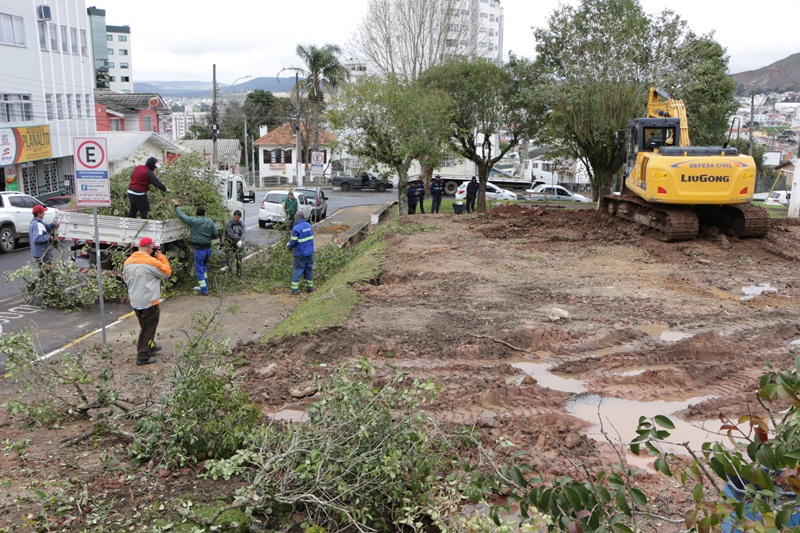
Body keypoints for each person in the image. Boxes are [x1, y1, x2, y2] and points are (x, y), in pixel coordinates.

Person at [123, 237, 172, 366]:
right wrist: (161, 257)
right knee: (148, 329)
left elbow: (125, 278)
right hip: (149, 301)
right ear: (149, 247)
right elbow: (167, 273)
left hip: (135, 300)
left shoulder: (128, 261)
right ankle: (143, 356)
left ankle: (151, 346)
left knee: (145, 326)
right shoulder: (151, 262)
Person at [172, 199, 219, 295]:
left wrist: (177, 205)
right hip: (208, 249)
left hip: (199, 250)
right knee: (203, 267)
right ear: (204, 213)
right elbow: (216, 233)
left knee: (199, 269)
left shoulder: (193, 221)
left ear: (196, 213)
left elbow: (182, 216)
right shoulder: (209, 221)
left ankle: (204, 290)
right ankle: (206, 284)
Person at [287, 211, 314, 295]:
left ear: (297, 218)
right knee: (308, 269)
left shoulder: (296, 228)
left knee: (297, 270)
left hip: (300, 253)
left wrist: (288, 246)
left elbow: (294, 242)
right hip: (309, 252)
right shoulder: (309, 226)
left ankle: (294, 289)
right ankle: (309, 287)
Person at [29, 204, 59, 273]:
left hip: (38, 253)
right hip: (42, 253)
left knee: (43, 273)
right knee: (48, 272)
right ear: (39, 214)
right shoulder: (37, 224)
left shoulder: (36, 222)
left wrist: (53, 224)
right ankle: (36, 283)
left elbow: (47, 227)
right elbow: (37, 239)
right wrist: (49, 237)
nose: (44, 213)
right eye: (43, 212)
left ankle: (37, 283)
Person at [224, 209, 246, 277]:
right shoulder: (228, 223)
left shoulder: (241, 223)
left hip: (238, 243)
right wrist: (238, 239)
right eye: (236, 218)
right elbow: (230, 234)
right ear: (234, 216)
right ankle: (230, 274)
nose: (237, 219)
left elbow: (244, 232)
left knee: (239, 258)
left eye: (238, 218)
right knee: (229, 259)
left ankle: (239, 274)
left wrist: (241, 240)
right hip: (229, 242)